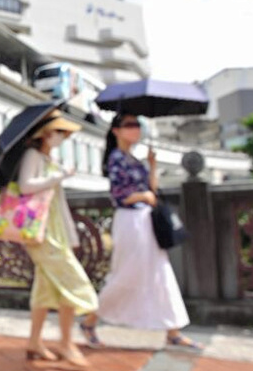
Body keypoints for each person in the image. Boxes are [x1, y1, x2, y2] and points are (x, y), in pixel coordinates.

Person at [81, 113, 203, 349]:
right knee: (126, 273)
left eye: (137, 125)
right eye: (129, 125)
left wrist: (152, 166)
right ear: (116, 130)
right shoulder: (116, 158)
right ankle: (90, 321)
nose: (135, 129)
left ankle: (173, 330)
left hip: (145, 220)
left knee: (161, 273)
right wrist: (143, 196)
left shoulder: (134, 159)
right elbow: (118, 195)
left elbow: (153, 190)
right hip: (130, 221)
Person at [18, 109, 99, 367]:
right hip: (41, 233)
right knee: (73, 281)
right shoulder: (33, 155)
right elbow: (25, 186)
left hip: (54, 231)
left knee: (46, 288)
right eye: (59, 132)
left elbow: (59, 205)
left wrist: (70, 235)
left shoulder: (48, 158)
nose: (62, 137)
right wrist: (58, 176)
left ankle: (35, 342)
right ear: (46, 133)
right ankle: (67, 342)